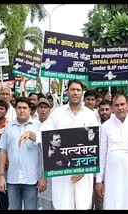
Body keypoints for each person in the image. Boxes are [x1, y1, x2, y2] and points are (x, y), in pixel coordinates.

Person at [19, 79, 98, 209]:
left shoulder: (90, 115)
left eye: (78, 90)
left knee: (83, 204)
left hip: (83, 171)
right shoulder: (58, 113)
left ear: (81, 93)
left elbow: (94, 143)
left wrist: (84, 168)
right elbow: (44, 132)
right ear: (67, 92)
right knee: (63, 204)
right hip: (62, 169)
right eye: (72, 89)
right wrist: (31, 135)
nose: (75, 93)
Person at [0, 97, 46, 210]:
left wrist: (43, 176)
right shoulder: (9, 127)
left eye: (25, 108)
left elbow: (45, 153)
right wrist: (1, 176)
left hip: (32, 180)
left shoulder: (38, 126)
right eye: (19, 107)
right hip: (12, 179)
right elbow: (3, 151)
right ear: (15, 109)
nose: (22, 110)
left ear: (30, 110)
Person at [35, 98, 54, 210]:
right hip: (33, 173)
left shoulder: (53, 126)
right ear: (37, 109)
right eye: (40, 107)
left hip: (48, 175)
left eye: (45, 107)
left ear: (49, 109)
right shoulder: (32, 125)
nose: (43, 110)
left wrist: (43, 176)